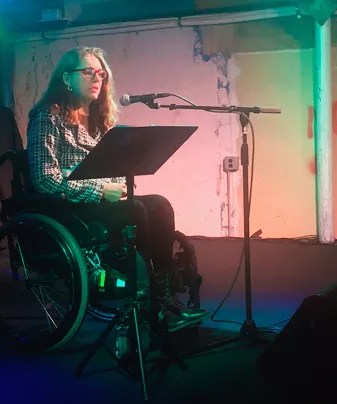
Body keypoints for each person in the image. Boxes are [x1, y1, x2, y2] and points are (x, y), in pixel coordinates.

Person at [26, 46, 208, 332]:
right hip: (69, 207)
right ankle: (155, 302)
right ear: (67, 78)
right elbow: (45, 179)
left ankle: (163, 296)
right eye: (88, 72)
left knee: (159, 204)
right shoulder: (47, 116)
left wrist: (120, 180)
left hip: (101, 202)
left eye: (101, 73)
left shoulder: (101, 119)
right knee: (138, 210)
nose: (97, 78)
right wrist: (100, 191)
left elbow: (109, 167)